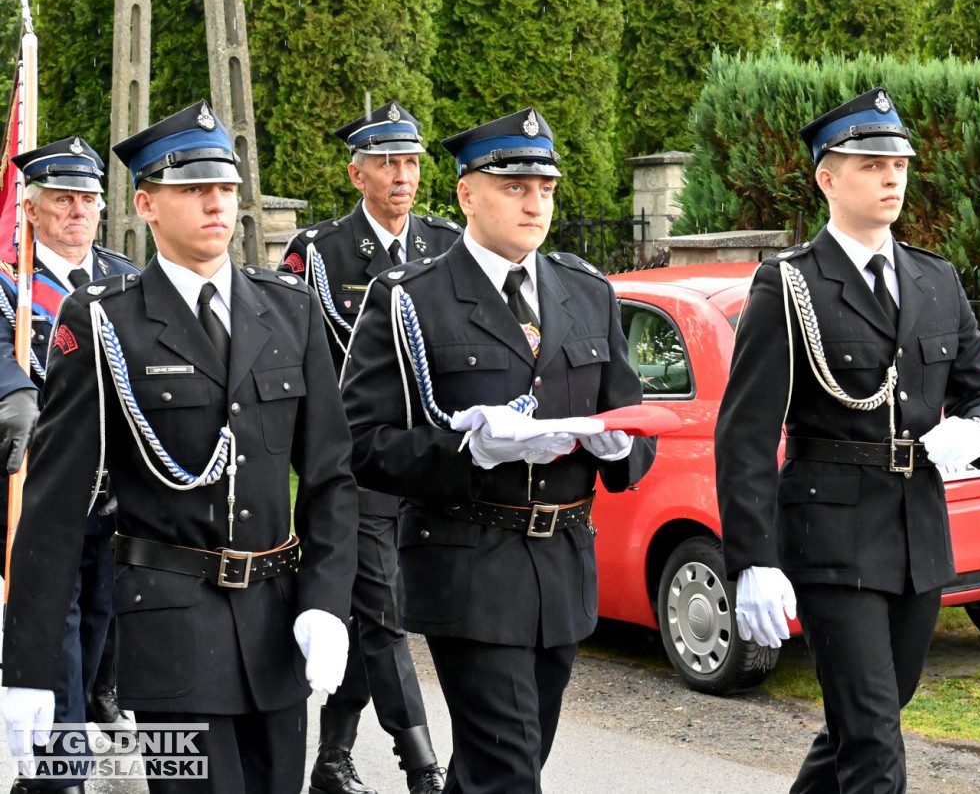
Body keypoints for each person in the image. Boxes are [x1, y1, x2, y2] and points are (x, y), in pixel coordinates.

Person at [2, 101, 359, 794]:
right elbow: (53, 504)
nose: (215, 203)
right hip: (170, 630)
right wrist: (31, 667)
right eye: (193, 188)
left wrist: (325, 599)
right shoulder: (106, 321)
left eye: (224, 186)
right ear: (146, 203)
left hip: (276, 627)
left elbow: (330, 477)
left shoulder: (291, 309)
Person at [341, 107, 656, 794]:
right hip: (468, 567)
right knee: (509, 770)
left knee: (500, 765)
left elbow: (637, 436)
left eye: (545, 187)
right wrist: (469, 452)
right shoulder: (412, 300)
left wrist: (616, 446)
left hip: (563, 568)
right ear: (466, 193)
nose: (535, 201)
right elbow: (362, 444)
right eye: (515, 186)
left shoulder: (586, 291)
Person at [714, 87, 980, 793]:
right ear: (827, 178)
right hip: (831, 539)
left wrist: (975, 429)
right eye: (871, 163)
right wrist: (751, 559)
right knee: (877, 745)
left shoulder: (934, 279)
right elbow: (746, 436)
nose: (891, 178)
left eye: (900, 165)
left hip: (916, 537)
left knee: (861, 724)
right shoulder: (789, 285)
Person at [278, 100, 458, 794]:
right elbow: (295, 358)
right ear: (357, 174)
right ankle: (423, 767)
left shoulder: (442, 245)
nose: (402, 175)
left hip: (428, 459)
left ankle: (332, 756)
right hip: (353, 461)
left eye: (411, 161)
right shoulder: (319, 253)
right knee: (383, 612)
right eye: (387, 162)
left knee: (372, 609)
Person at [0, 136, 138, 794]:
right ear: (31, 208)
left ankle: (56, 762)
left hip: (119, 498)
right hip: (46, 496)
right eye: (63, 200)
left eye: (88, 199)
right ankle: (62, 775)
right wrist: (15, 393)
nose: (79, 211)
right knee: (58, 630)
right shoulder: (8, 283)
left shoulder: (127, 279)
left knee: (98, 631)